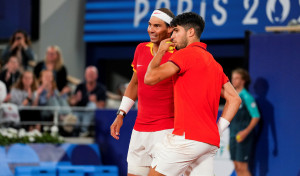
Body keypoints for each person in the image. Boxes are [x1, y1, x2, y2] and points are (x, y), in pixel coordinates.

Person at [144, 12, 242, 176]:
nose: (172, 36)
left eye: (176, 31)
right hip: (208, 141)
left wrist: (160, 51)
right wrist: (218, 130)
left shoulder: (184, 54)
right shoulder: (213, 62)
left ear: (190, 32)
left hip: (187, 138)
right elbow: (234, 99)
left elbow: (150, 78)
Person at [110, 8, 175, 176]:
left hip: (166, 130)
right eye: (149, 25)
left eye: (157, 26)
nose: (151, 30)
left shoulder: (179, 53)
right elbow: (133, 84)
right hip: (139, 130)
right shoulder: (140, 49)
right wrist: (121, 114)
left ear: (170, 29)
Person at [230, 68, 260, 176]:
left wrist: (245, 132)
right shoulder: (233, 96)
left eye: (237, 78)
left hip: (243, 136)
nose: (234, 81)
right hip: (233, 135)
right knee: (237, 166)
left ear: (243, 81)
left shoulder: (247, 97)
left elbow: (256, 116)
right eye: (233, 78)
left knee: (243, 167)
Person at [69, 66, 106, 136]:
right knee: (74, 117)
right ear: (85, 76)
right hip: (79, 113)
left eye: (92, 74)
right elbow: (72, 104)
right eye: (88, 74)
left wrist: (95, 102)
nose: (90, 76)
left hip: (93, 117)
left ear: (96, 76)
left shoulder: (101, 89)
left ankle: (83, 130)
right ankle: (77, 133)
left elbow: (102, 108)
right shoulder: (80, 86)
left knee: (92, 105)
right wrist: (76, 99)